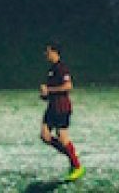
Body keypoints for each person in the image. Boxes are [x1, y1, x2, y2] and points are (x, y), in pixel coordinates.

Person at [37, 42, 83, 182]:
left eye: (48, 51)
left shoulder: (62, 68)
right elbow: (54, 89)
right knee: (45, 135)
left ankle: (77, 166)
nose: (46, 54)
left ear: (55, 52)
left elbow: (68, 86)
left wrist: (49, 90)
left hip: (62, 108)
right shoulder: (51, 69)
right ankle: (72, 156)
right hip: (52, 107)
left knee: (62, 138)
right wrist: (45, 95)